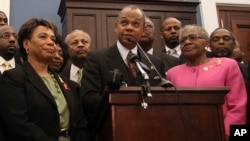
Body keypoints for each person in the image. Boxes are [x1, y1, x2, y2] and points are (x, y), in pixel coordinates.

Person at [0, 18, 89, 141]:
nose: (51, 42)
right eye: (43, 37)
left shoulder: (70, 84)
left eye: (53, 39)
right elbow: (19, 125)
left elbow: (81, 124)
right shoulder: (14, 78)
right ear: (26, 44)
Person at [81, 4, 165, 132]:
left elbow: (162, 98)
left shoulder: (155, 62)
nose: (129, 28)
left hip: (150, 128)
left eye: (135, 24)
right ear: (116, 27)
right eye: (124, 23)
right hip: (112, 128)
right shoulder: (97, 58)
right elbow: (89, 98)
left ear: (143, 31)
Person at [166, 24, 247, 140]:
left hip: (222, 134)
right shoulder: (172, 73)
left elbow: (238, 105)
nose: (187, 42)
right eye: (183, 40)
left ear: (206, 43)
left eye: (193, 37)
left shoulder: (227, 65)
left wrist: (227, 134)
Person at [209, 27, 250, 124]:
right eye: (216, 40)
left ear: (234, 44)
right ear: (209, 45)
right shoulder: (203, 69)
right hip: (215, 123)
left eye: (226, 39)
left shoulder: (246, 70)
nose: (221, 42)